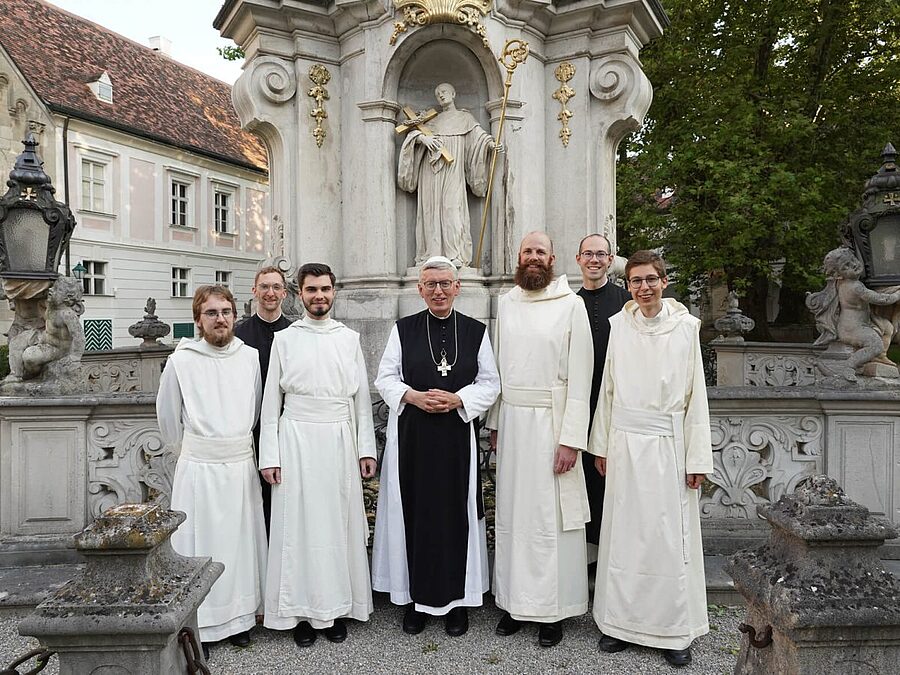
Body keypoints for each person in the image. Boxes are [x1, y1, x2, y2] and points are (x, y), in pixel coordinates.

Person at [590, 250, 712, 668]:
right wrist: (601, 444)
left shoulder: (685, 329)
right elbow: (608, 388)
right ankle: (621, 625)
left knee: (665, 540)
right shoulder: (618, 326)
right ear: (628, 286)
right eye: (635, 281)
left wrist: (697, 458)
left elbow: (696, 397)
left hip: (667, 446)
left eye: (650, 279)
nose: (643, 287)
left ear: (664, 281)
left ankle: (673, 630)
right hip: (624, 442)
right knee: (624, 538)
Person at [372, 256, 500, 637]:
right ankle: (416, 600)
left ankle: (457, 602)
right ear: (420, 289)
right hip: (413, 435)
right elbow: (385, 378)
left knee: (453, 516)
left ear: (457, 287)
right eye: (431, 284)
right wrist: (412, 396)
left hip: (455, 438)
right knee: (415, 514)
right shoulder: (403, 329)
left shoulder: (476, 331)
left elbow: (490, 383)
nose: (439, 290)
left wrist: (459, 400)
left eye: (445, 283)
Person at [259, 262, 376, 647]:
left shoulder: (349, 338)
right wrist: (270, 456)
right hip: (296, 441)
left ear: (334, 291)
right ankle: (301, 612)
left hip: (339, 440)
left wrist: (365, 449)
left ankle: (337, 608)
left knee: (337, 526)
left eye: (325, 289)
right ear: (300, 293)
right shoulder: (286, 339)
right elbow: (271, 403)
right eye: (312, 290)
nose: (319, 296)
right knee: (299, 527)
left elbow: (360, 401)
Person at [486, 231, 593, 648]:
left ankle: (552, 610)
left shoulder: (572, 305)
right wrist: (495, 422)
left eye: (540, 252)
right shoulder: (507, 302)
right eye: (527, 251)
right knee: (513, 515)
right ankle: (514, 603)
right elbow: (498, 366)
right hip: (513, 423)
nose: (533, 257)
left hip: (552, 426)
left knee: (550, 521)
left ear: (553, 258)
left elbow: (582, 378)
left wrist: (571, 440)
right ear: (519, 257)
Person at [156, 285, 266, 657]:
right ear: (198, 320)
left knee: (238, 545)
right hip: (200, 467)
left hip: (237, 464)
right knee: (200, 545)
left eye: (226, 312)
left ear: (235, 316)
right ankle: (201, 623)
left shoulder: (249, 357)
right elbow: (168, 415)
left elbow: (252, 410)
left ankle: (239, 620)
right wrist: (196, 449)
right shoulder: (182, 360)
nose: (220, 319)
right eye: (211, 313)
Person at [397, 82, 498, 267]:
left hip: (453, 170)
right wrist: (422, 138)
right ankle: (432, 255)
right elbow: (412, 135)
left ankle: (455, 255)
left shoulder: (465, 118)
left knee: (452, 209)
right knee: (432, 210)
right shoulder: (430, 119)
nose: (441, 95)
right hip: (430, 173)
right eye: (437, 94)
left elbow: (479, 137)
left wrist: (489, 145)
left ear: (453, 93)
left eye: (444, 92)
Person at [574, 234, 630, 554]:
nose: (594, 260)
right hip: (582, 401)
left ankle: (614, 550)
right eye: (588, 254)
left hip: (615, 402)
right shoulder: (570, 304)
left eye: (601, 254)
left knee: (612, 475)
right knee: (584, 477)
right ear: (578, 259)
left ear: (610, 260)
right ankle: (588, 553)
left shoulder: (626, 302)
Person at [234, 266, 291, 534]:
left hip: (287, 424)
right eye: (264, 287)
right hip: (249, 426)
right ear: (254, 291)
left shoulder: (294, 333)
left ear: (285, 293)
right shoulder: (238, 335)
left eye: (276, 287)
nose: (270, 293)